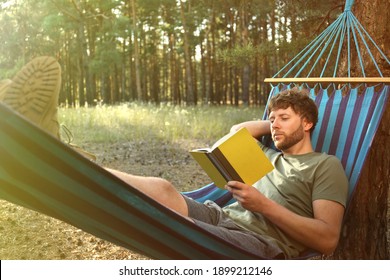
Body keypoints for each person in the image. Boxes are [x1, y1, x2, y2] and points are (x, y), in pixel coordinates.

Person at [1, 57, 348, 259]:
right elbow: (237, 129)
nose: (273, 125)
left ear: (308, 123)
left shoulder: (325, 166)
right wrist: (275, 118)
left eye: (284, 119)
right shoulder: (268, 152)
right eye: (271, 119)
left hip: (261, 244)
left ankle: (50, 160)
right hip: (222, 216)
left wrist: (263, 205)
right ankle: (61, 156)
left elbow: (327, 239)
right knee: (163, 188)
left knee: (170, 227)